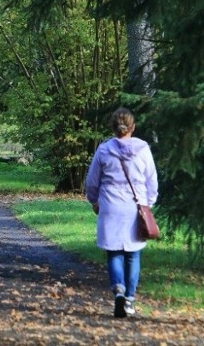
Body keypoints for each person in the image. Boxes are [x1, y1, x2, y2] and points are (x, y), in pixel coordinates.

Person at [85, 107, 158, 318]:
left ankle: (118, 290)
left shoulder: (104, 150)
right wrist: (149, 203)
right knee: (133, 254)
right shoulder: (143, 149)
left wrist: (94, 201)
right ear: (132, 127)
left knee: (114, 252)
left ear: (113, 127)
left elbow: (92, 182)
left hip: (110, 208)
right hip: (135, 209)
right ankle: (130, 301)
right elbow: (151, 180)